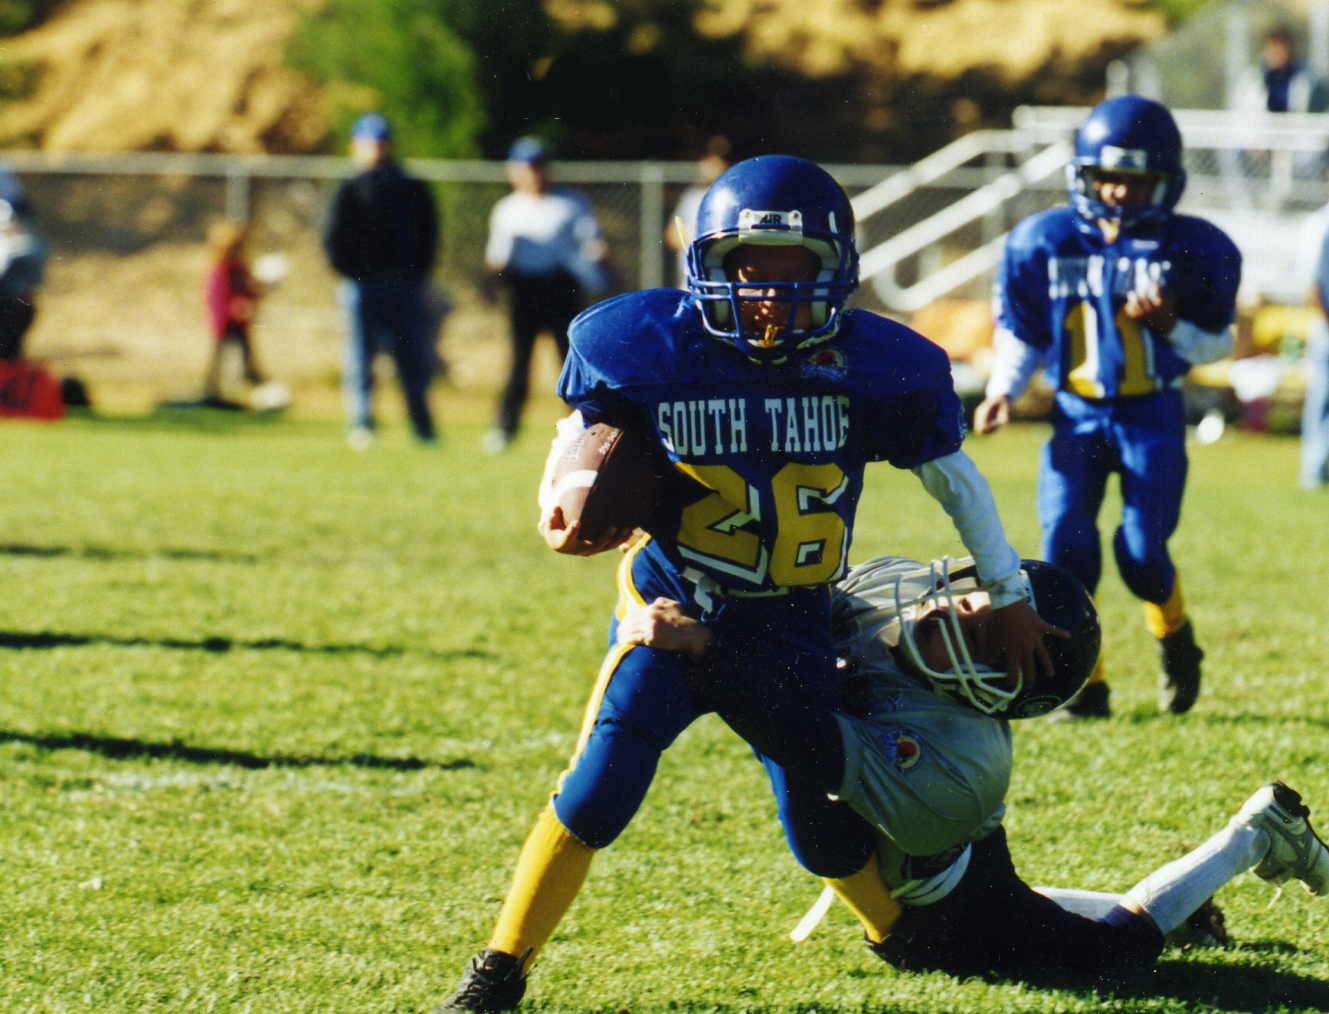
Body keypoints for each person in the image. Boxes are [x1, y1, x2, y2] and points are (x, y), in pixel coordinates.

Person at [436, 154, 1057, 1012]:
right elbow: (582, 430)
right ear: (708, 266)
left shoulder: (873, 364)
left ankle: (895, 932)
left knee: (815, 816)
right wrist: (560, 493)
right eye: (749, 269)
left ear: (836, 271)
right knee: (600, 786)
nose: (770, 292)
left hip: (787, 619)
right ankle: (500, 966)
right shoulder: (643, 347)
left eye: (795, 270)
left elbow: (955, 482)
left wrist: (1009, 593)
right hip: (671, 601)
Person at [615, 555, 1329, 983]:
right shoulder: (886, 589)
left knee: (1109, 954)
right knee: (1035, 910)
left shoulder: (966, 763)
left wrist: (705, 647)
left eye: (987, 635)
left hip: (952, 893)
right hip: (947, 858)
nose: (961, 610)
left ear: (1002, 691)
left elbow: (806, 742)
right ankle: (1186, 908)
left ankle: (1255, 834)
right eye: (982, 596)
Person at [973, 96, 1242, 720]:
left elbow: (1218, 343)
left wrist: (1170, 325)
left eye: (1137, 180)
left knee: (1142, 552)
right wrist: (1002, 390)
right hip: (1078, 414)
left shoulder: (1193, 248)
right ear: (1085, 176)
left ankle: (1176, 637)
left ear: (1165, 182)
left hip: (1152, 415)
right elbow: (1024, 332)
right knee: (1067, 546)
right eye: (1110, 177)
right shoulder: (1044, 241)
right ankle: (1084, 682)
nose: (1121, 192)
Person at [481, 137, 612, 453]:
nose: (533, 174)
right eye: (526, 167)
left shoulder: (570, 203)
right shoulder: (507, 208)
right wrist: (490, 283)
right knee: (519, 360)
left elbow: (591, 243)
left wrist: (602, 261)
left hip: (561, 286)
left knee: (571, 361)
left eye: (538, 166)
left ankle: (585, 428)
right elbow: (498, 257)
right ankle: (505, 428)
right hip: (525, 288)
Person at [323, 112, 439, 447]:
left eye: (380, 144)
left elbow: (428, 234)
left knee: (411, 358)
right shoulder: (348, 188)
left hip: (404, 284)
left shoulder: (410, 187)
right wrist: (350, 270)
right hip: (362, 284)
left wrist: (416, 273)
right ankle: (362, 423)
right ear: (355, 146)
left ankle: (421, 425)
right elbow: (332, 236)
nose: (375, 151)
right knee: (360, 357)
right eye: (368, 144)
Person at [201, 218, 266, 404]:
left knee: (247, 356)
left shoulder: (241, 269)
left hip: (240, 323)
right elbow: (219, 297)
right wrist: (232, 309)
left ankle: (255, 388)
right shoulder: (221, 270)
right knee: (219, 357)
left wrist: (256, 293)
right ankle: (212, 392)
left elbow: (249, 292)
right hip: (225, 321)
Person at [664, 136, 732, 288]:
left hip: (724, 282)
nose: (715, 165)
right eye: (711, 159)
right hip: (691, 280)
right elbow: (671, 235)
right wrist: (698, 237)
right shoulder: (693, 196)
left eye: (721, 159)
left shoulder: (732, 197)